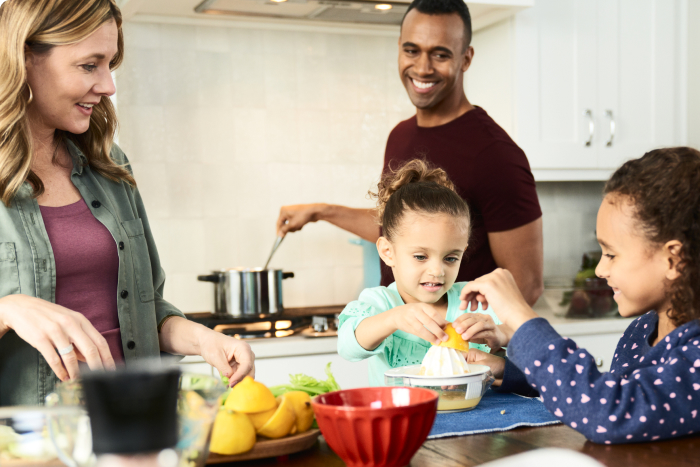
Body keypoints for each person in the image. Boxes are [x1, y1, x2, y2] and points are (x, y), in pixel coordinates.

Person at [0, 0, 254, 406]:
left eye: (110, 65)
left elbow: (145, 307)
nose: (107, 86)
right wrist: (7, 311)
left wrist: (205, 339)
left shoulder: (109, 163)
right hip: (28, 447)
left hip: (135, 422)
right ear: (25, 58)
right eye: (89, 65)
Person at [276, 0, 543, 305]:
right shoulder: (400, 135)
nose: (422, 68)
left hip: (454, 348)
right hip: (394, 342)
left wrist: (454, 339)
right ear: (399, 48)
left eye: (440, 54)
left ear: (466, 58)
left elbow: (527, 285)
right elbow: (398, 228)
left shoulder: (495, 155)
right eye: (412, 50)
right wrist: (321, 212)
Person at [458, 148, 700, 444]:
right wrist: (508, 371)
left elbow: (608, 411)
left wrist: (522, 321)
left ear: (674, 260)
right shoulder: (643, 329)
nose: (600, 269)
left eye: (611, 254)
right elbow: (603, 389)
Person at [337, 160, 506, 386]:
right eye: (420, 257)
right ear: (388, 252)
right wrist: (393, 318)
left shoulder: (476, 302)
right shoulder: (380, 303)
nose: (437, 271)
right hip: (403, 419)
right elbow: (348, 347)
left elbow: (525, 362)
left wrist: (500, 346)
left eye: (450, 258)